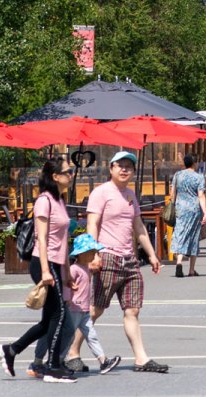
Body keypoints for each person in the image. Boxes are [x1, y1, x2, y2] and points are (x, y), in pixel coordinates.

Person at [65, 151, 167, 374]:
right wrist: (94, 254)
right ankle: (72, 352)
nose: (124, 169)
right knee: (94, 309)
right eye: (120, 165)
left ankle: (141, 359)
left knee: (133, 310)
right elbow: (92, 224)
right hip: (107, 257)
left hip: (129, 259)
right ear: (111, 168)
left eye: (128, 166)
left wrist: (151, 254)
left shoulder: (130, 194)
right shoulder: (101, 193)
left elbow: (138, 226)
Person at [0, 160, 75, 382]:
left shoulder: (60, 200)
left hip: (56, 263)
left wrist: (67, 272)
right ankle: (52, 366)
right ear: (55, 176)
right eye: (68, 171)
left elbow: (62, 240)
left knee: (49, 319)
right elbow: (42, 238)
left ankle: (11, 350)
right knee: (59, 314)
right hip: (43, 262)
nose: (71, 174)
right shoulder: (44, 201)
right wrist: (46, 271)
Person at [61, 234, 120, 376]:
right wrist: (67, 298)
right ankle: (58, 360)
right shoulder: (74, 269)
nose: (94, 254)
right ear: (82, 253)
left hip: (85, 310)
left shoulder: (86, 268)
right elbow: (66, 284)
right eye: (92, 252)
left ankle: (103, 360)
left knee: (91, 335)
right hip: (75, 308)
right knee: (69, 337)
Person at [169, 154, 206, 278]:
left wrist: (173, 204)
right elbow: (201, 195)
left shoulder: (177, 175)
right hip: (194, 209)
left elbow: (172, 193)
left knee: (180, 234)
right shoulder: (199, 177)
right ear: (194, 163)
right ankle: (191, 270)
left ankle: (179, 262)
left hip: (180, 208)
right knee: (194, 237)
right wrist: (205, 212)